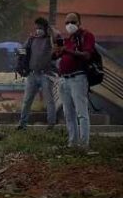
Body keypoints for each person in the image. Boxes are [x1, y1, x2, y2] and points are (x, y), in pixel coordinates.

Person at [54, 11, 95, 148]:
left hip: (78, 78)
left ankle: (84, 144)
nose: (69, 25)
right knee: (68, 113)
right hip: (64, 79)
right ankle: (72, 142)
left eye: (73, 22)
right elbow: (55, 56)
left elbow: (86, 55)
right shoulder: (68, 39)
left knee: (81, 113)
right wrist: (56, 51)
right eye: (67, 22)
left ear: (79, 22)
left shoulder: (86, 36)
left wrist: (67, 51)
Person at [17, 17, 57, 129]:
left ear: (45, 28)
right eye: (37, 28)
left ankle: (51, 124)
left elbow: (57, 39)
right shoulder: (31, 39)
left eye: (40, 28)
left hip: (46, 74)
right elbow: (22, 50)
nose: (38, 30)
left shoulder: (50, 40)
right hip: (32, 74)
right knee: (27, 100)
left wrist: (51, 29)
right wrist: (20, 62)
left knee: (49, 100)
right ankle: (22, 124)